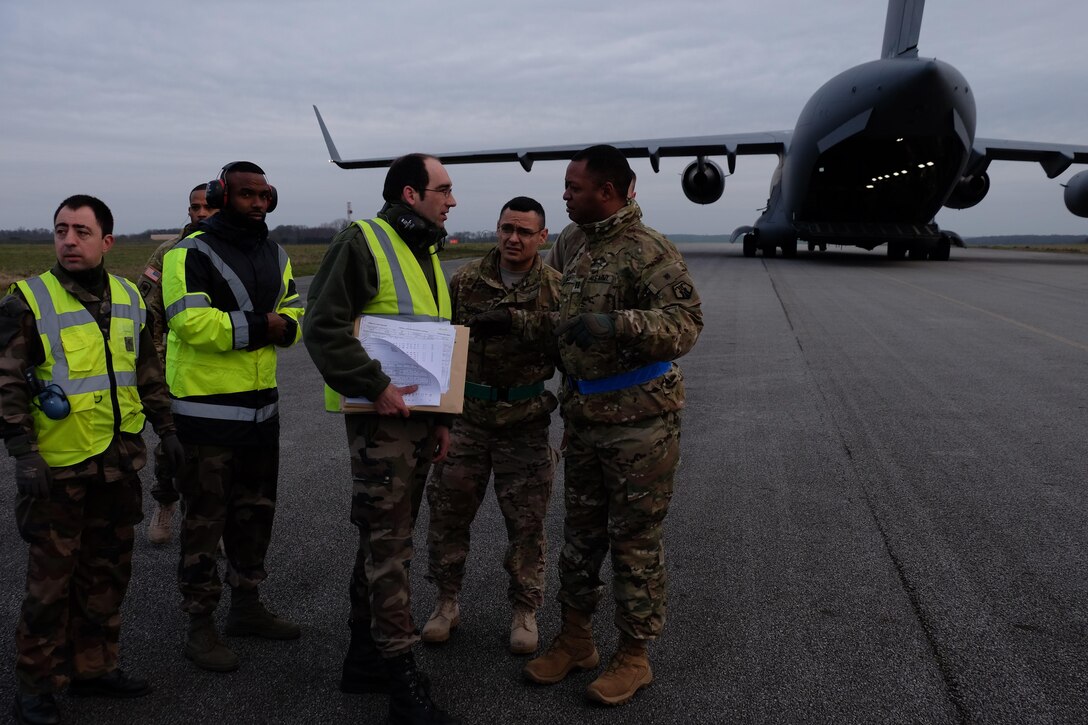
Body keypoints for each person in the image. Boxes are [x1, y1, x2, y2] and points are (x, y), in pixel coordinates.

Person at [469, 145, 702, 707]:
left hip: (640, 425)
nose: (565, 195)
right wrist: (517, 324)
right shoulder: (571, 244)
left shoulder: (649, 251)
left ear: (609, 191)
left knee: (635, 542)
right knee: (580, 537)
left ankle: (634, 656)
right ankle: (575, 639)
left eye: (574, 187)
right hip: (586, 416)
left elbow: (686, 324)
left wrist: (616, 324)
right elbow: (562, 322)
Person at [0, 195, 185, 725]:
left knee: (107, 572)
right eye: (60, 230)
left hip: (117, 464)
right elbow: (6, 383)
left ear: (107, 241)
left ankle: (93, 666)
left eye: (81, 231)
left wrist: (166, 428)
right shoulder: (27, 299)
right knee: (49, 584)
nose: (68, 240)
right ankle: (35, 688)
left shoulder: (129, 297)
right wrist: (22, 453)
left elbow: (146, 371)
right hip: (58, 469)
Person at [304, 153, 459, 725]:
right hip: (380, 424)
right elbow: (320, 324)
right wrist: (373, 386)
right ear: (412, 195)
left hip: (418, 422)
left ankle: (363, 657)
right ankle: (401, 684)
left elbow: (435, 339)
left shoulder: (427, 250)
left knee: (382, 542)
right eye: (444, 189)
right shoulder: (364, 241)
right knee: (390, 549)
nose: (453, 199)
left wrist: (443, 418)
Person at [161, 161, 304, 673]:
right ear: (222, 195)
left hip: (261, 414)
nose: (258, 203)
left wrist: (286, 324)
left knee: (254, 516)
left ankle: (246, 606)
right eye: (247, 194)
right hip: (205, 418)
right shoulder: (188, 253)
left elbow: (295, 311)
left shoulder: (276, 252)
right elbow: (192, 322)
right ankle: (200, 627)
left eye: (265, 194)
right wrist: (265, 325)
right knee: (204, 525)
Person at [421, 196, 561, 656]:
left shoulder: (556, 289)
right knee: (447, 515)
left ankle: (524, 611)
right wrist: (438, 417)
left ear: (543, 237)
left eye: (524, 231)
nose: (512, 239)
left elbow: (570, 343)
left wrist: (519, 323)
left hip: (525, 425)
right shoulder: (464, 282)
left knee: (527, 526)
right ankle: (446, 603)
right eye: (506, 229)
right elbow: (442, 348)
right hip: (468, 421)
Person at [137, 184, 216, 545]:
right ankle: (166, 502)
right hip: (171, 365)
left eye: (207, 207)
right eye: (194, 207)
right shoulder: (167, 253)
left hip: (216, 367)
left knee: (216, 453)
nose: (200, 213)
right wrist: (155, 364)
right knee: (170, 443)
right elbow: (149, 311)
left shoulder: (230, 251)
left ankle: (212, 523)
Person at [543, 171, 635, 273]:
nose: (566, 196)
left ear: (632, 196)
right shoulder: (571, 233)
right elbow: (547, 278)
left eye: (575, 188)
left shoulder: (642, 243)